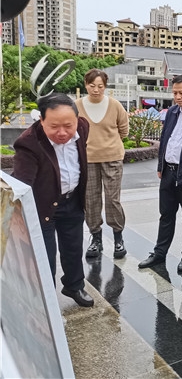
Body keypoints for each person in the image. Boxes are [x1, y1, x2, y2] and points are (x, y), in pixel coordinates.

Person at [13, 93, 94, 307]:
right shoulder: (29, 144)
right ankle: (46, 301)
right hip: (42, 206)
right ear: (41, 120)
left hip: (72, 200)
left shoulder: (82, 127)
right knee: (44, 257)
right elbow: (22, 183)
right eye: (54, 126)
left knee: (73, 248)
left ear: (77, 119)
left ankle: (74, 286)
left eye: (68, 125)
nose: (62, 132)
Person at [138, 74, 182, 272]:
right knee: (166, 215)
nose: (177, 97)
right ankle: (159, 253)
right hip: (168, 172)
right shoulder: (172, 112)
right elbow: (165, 140)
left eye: (181, 93)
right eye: (175, 93)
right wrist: (160, 166)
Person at [75, 69, 129, 259]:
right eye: (92, 86)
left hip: (112, 157)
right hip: (88, 159)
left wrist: (110, 142)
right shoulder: (77, 106)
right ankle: (96, 238)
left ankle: (118, 238)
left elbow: (124, 130)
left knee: (113, 199)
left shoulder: (114, 105)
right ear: (85, 85)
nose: (96, 90)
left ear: (105, 86)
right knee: (91, 200)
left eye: (100, 86)